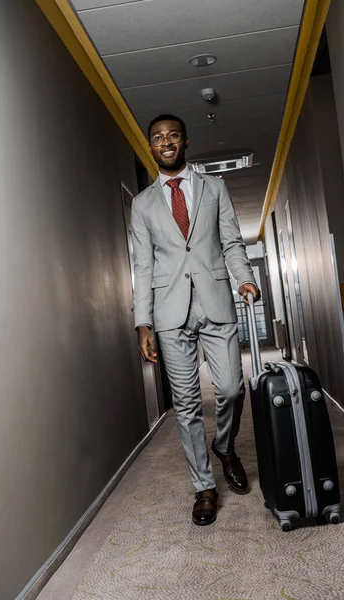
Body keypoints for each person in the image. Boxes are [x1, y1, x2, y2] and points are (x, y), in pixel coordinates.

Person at [131, 114, 260, 526]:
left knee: (231, 388)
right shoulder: (142, 204)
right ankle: (204, 486)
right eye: (157, 138)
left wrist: (245, 279)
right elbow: (143, 265)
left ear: (184, 141)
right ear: (150, 146)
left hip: (216, 301)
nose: (165, 142)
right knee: (185, 405)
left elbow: (231, 241)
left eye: (172, 136)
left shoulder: (214, 187)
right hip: (169, 312)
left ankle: (225, 446)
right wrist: (143, 322)